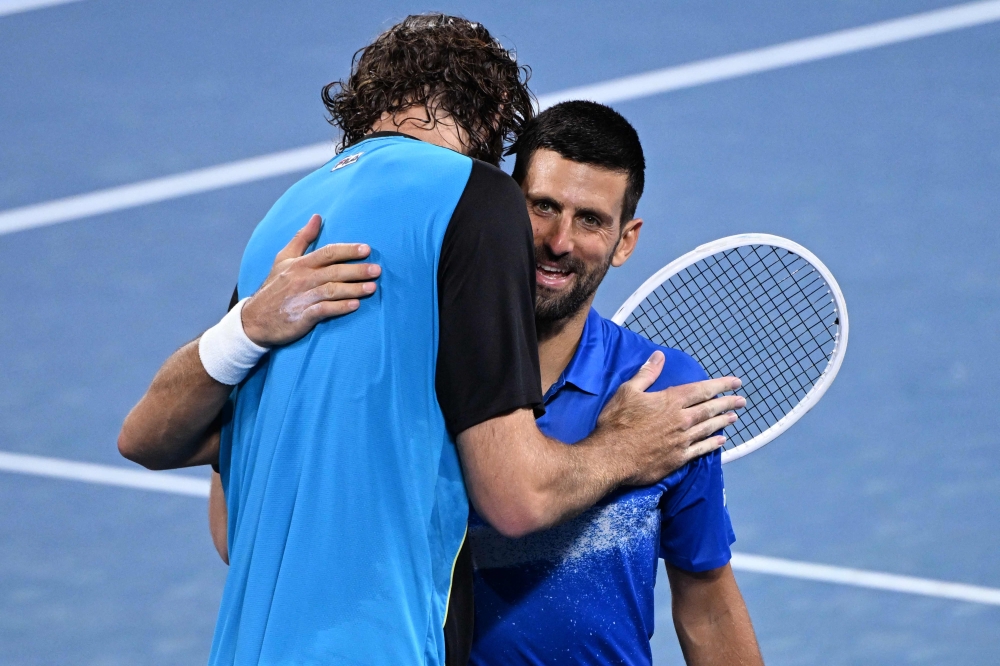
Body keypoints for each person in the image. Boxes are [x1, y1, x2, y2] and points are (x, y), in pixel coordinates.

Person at [118, 15, 744, 666]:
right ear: (495, 112)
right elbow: (517, 498)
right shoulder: (475, 199)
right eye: (539, 207)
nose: (556, 239)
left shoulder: (288, 230)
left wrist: (247, 328)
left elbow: (161, 456)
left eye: (589, 220)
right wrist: (623, 446)